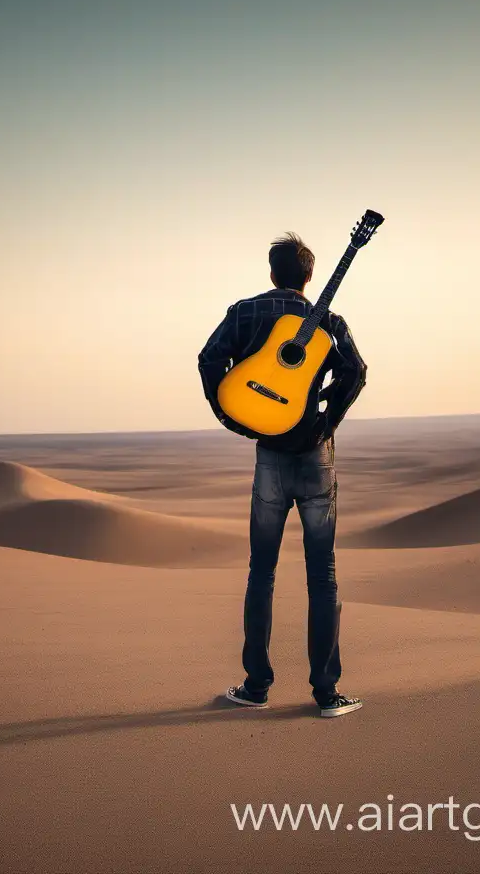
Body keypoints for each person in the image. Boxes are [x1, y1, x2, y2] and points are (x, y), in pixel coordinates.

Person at [197, 232, 367, 717]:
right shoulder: (330, 322)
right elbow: (356, 371)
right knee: (324, 576)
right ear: (309, 277)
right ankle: (327, 694)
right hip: (317, 457)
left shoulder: (244, 312)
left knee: (261, 573)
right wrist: (324, 422)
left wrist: (234, 412)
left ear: (272, 272)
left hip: (269, 453)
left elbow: (209, 359)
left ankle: (256, 687)